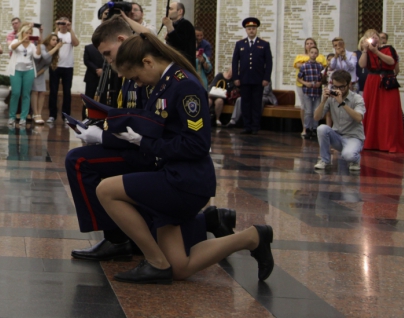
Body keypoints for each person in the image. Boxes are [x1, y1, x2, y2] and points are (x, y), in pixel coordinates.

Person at [90, 33, 274, 284]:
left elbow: (197, 145)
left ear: (147, 63)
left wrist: (145, 143)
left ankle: (154, 261)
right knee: (180, 268)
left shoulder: (183, 85)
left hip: (185, 180)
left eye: (135, 77)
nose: (138, 84)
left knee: (106, 190)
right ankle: (253, 237)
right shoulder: (165, 82)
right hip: (172, 174)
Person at [67, 17, 236, 264]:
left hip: (178, 173)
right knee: (177, 265)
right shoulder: (158, 79)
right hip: (166, 162)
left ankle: (124, 241)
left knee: (96, 177)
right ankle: (221, 226)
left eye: (107, 53)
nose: (107, 60)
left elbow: (192, 143)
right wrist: (106, 127)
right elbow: (143, 122)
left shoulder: (176, 83)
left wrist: (126, 139)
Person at [359, 29, 404, 154]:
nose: (373, 38)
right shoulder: (367, 51)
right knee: (371, 110)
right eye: (370, 37)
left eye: (375, 36)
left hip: (387, 80)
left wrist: (376, 51)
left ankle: (388, 143)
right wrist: (365, 50)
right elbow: (362, 65)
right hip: (372, 81)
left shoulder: (388, 48)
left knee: (388, 112)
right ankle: (370, 142)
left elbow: (391, 61)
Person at [314, 70, 365, 172]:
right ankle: (325, 160)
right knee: (321, 128)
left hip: (353, 137)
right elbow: (316, 117)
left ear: (348, 84)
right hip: (337, 136)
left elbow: (359, 118)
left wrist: (342, 103)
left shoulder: (357, 98)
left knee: (348, 156)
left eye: (341, 87)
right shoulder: (330, 97)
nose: (338, 90)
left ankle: (355, 160)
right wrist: (323, 101)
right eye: (335, 87)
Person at [231, 17, 272, 135]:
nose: (251, 31)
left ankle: (255, 126)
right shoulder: (240, 44)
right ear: (246, 30)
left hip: (258, 80)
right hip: (244, 79)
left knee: (256, 104)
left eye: (253, 28)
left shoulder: (264, 44)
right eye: (249, 29)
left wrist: (266, 78)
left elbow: (268, 63)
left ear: (256, 30)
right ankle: (247, 126)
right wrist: (236, 78)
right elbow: (235, 62)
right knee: (245, 103)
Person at [7, 24, 41, 127]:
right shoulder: (16, 41)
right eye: (27, 32)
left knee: (26, 94)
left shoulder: (32, 45)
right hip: (16, 71)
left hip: (28, 71)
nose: (29, 35)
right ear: (22, 33)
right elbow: (11, 48)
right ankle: (12, 117)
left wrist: (39, 44)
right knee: (16, 93)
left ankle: (23, 117)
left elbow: (37, 56)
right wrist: (22, 41)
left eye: (30, 33)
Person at [48, 16, 79, 125]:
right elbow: (52, 43)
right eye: (61, 22)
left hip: (68, 66)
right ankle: (52, 115)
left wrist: (70, 29)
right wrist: (56, 28)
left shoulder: (70, 34)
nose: (63, 24)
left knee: (67, 92)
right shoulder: (55, 34)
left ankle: (66, 115)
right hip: (55, 66)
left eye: (65, 22)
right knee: (53, 91)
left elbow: (76, 43)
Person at [31, 32, 61, 125]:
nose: (55, 42)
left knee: (42, 92)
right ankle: (35, 114)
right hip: (31, 69)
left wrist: (37, 74)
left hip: (39, 73)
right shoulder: (43, 46)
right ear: (49, 40)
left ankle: (39, 113)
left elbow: (46, 66)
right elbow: (45, 56)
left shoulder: (54, 51)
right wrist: (56, 48)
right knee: (35, 92)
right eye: (53, 40)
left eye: (56, 40)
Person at [297, 46, 324, 140]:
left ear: (317, 54)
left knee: (316, 111)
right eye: (311, 52)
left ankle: (315, 129)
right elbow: (299, 78)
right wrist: (306, 83)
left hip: (317, 91)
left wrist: (320, 83)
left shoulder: (320, 66)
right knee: (308, 111)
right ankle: (307, 128)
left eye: (315, 53)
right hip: (307, 91)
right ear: (309, 53)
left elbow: (323, 79)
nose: (313, 54)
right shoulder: (304, 66)